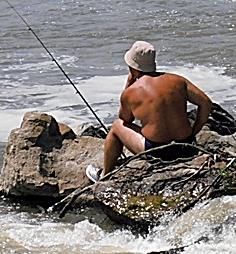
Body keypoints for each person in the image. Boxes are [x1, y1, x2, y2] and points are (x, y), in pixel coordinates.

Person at [86, 40, 212, 182]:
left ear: (133, 68)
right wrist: (194, 132)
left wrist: (128, 86)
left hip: (157, 152)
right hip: (186, 147)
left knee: (116, 126)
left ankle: (104, 176)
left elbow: (125, 119)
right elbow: (206, 103)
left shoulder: (132, 92)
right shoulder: (178, 80)